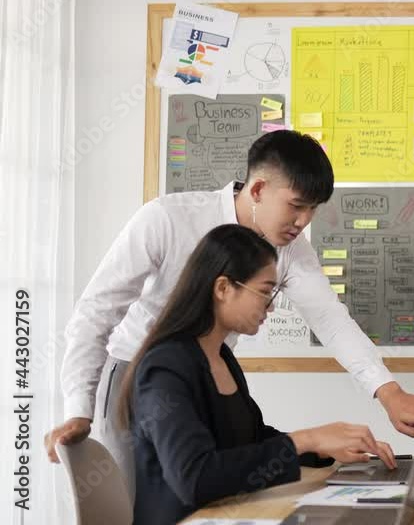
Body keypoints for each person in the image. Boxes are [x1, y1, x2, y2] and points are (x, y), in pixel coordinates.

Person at [45, 130, 414, 495]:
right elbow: (97, 310)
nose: (304, 221)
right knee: (138, 501)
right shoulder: (166, 218)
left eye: (313, 210)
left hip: (207, 377)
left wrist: (389, 392)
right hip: (135, 373)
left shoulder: (291, 248)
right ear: (259, 189)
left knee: (209, 491)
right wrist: (80, 407)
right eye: (296, 205)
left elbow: (330, 320)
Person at [120, 224, 397, 524]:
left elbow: (250, 440)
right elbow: (195, 478)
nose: (272, 306)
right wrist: (307, 439)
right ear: (223, 288)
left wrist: (323, 448)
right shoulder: (165, 368)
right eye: (265, 291)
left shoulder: (221, 356)